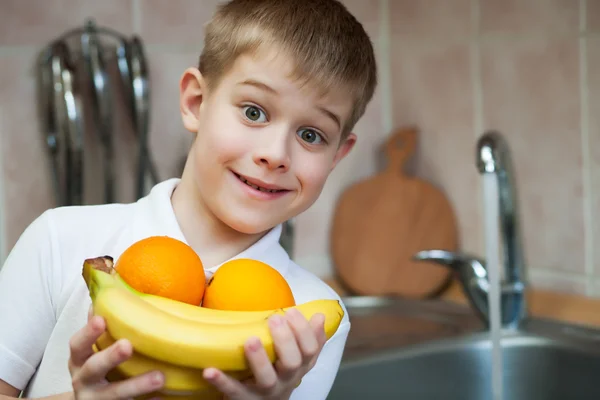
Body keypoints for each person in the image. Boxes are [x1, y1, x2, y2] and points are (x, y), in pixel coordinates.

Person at [0, 0, 377, 398]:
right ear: (196, 102)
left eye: (311, 135)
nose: (276, 154)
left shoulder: (313, 316)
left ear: (337, 155)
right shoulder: (58, 240)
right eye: (253, 112)